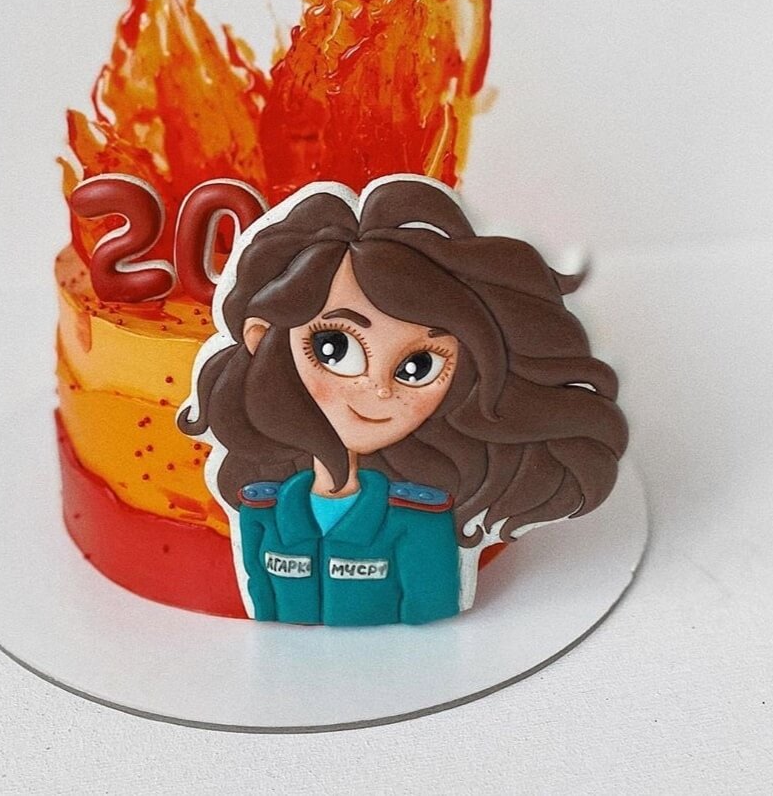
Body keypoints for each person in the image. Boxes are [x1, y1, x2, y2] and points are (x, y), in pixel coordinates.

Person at [178, 176, 627, 625]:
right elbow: (263, 597)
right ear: (264, 339)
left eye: (418, 366)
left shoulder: (418, 516)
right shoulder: (262, 509)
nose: (379, 389)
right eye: (335, 347)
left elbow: (429, 609)